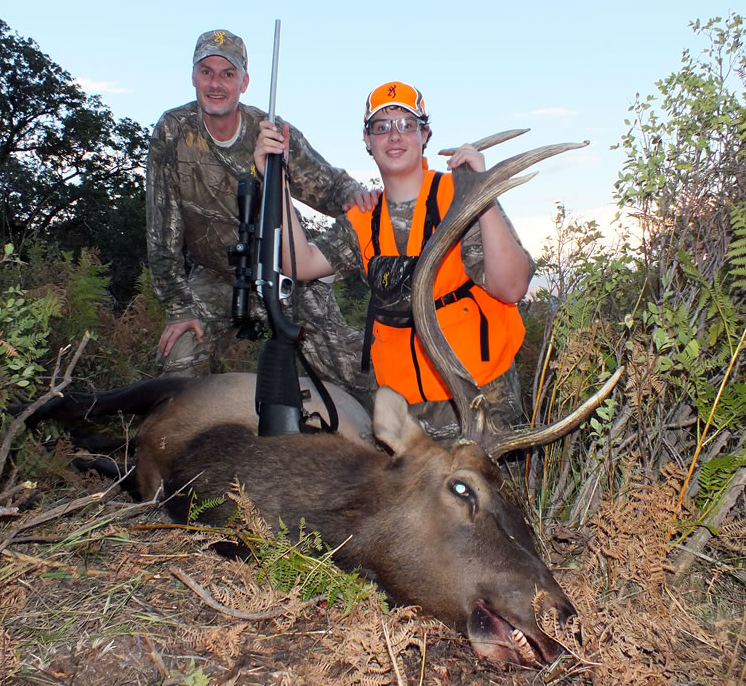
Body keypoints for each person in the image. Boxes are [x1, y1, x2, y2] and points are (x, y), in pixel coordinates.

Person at [255, 81, 534, 442]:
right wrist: (275, 176)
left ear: (425, 134)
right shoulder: (365, 218)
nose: (395, 136)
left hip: (479, 398)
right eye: (381, 127)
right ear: (367, 141)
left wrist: (482, 195)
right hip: (406, 413)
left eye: (407, 124)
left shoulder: (458, 195)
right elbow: (300, 263)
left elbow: (511, 287)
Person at [145, 29, 376, 399]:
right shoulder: (171, 132)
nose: (216, 83)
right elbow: (161, 232)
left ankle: (387, 439)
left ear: (244, 82)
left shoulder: (272, 132)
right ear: (193, 76)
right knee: (177, 361)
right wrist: (178, 307)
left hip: (282, 271)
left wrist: (362, 198)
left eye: (228, 74)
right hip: (214, 275)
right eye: (206, 72)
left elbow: (330, 186)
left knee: (351, 366)